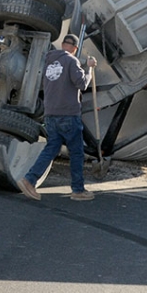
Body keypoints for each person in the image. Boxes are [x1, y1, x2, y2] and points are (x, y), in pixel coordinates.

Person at [17, 33, 97, 201]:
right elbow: (81, 84)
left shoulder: (49, 60)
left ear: (62, 44)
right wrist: (88, 68)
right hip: (68, 114)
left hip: (51, 114)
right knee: (76, 153)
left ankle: (29, 180)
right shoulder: (71, 60)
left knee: (51, 149)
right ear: (75, 48)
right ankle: (78, 190)